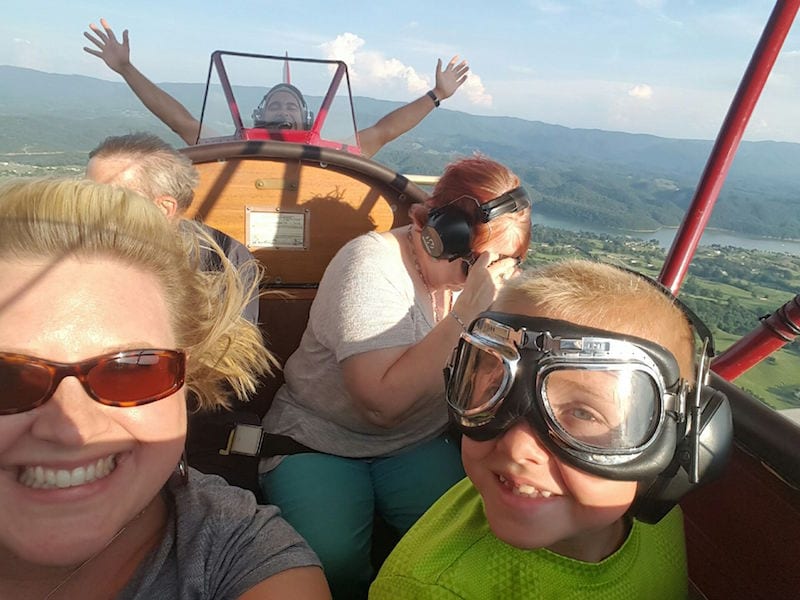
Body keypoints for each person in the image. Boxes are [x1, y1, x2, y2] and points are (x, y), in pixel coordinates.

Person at [0, 177, 331, 599]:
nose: (71, 430)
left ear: (185, 382)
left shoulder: (244, 558)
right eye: (7, 377)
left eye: (132, 369)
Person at [370, 260, 733, 599]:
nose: (516, 447)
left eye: (583, 413)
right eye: (495, 391)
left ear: (682, 441)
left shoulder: (662, 523)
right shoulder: (428, 588)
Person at [255, 154, 532, 599]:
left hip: (415, 443)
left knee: (467, 547)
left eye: (502, 267)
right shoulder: (370, 266)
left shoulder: (466, 287)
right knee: (332, 566)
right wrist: (464, 313)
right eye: (474, 267)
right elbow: (380, 404)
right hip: (319, 441)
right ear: (440, 236)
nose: (481, 282)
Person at [86, 132, 266, 493]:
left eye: (106, 198)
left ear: (164, 208)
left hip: (195, 420)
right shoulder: (81, 252)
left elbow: (227, 362)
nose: (90, 209)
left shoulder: (224, 258)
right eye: (87, 194)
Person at [83, 18, 469, 158]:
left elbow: (386, 130)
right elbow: (179, 120)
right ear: (259, 115)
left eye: (290, 106)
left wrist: (436, 96)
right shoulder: (232, 144)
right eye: (276, 104)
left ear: (304, 117)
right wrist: (126, 68)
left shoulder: (331, 150)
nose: (283, 110)